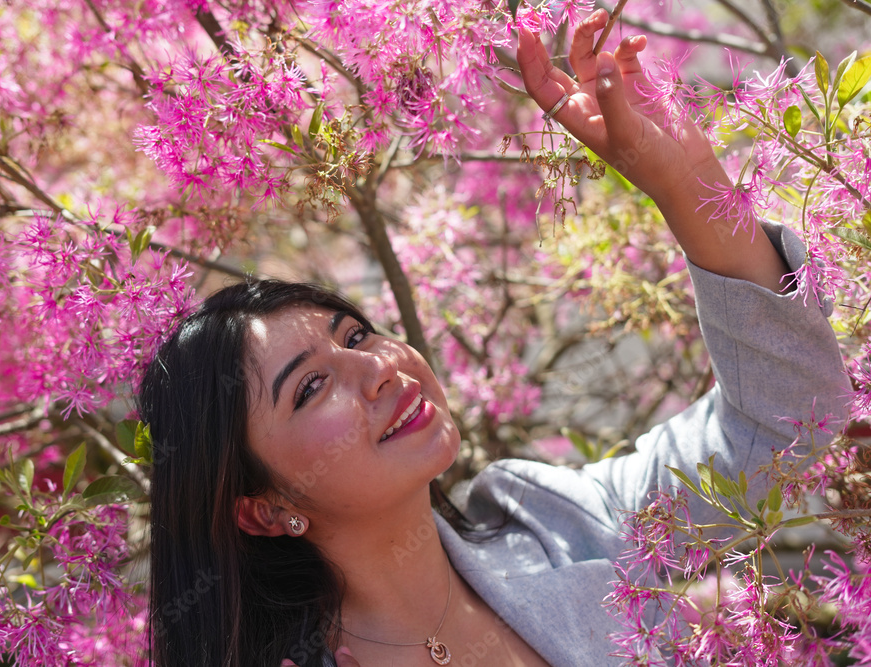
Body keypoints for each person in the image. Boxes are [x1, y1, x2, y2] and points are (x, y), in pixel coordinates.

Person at [137, 10, 850, 667]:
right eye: (312, 385)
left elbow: (782, 419)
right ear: (264, 508)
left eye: (356, 334)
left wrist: (686, 181)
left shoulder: (553, 530)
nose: (379, 368)